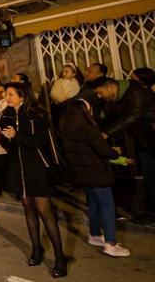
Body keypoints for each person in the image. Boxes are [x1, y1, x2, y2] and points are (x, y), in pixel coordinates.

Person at [1, 82, 67, 278]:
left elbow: (39, 141)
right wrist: (7, 136)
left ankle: (60, 257)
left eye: (11, 94)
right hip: (18, 169)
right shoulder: (7, 115)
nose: (7, 98)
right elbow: (6, 142)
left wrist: (16, 136)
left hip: (36, 168)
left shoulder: (37, 114)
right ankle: (36, 249)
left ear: (22, 96)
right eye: (6, 94)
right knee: (27, 208)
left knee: (44, 211)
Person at [59, 99, 131, 257]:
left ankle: (94, 234)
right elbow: (104, 151)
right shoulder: (88, 129)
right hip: (96, 172)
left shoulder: (65, 127)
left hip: (81, 173)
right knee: (107, 206)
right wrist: (116, 152)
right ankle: (111, 243)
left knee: (93, 203)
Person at [93, 76, 155, 226]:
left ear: (110, 87)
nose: (100, 96)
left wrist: (107, 133)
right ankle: (152, 212)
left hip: (151, 137)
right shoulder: (118, 98)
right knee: (150, 176)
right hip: (144, 141)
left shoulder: (136, 93)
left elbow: (132, 116)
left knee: (151, 176)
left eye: (101, 93)